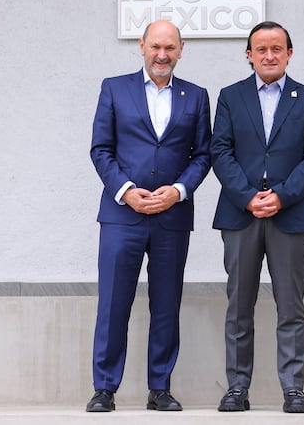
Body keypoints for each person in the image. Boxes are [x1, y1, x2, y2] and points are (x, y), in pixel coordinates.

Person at [86, 20, 212, 413]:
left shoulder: (196, 95)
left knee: (166, 303)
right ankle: (105, 388)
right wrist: (126, 192)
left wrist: (178, 191)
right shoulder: (114, 88)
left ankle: (160, 387)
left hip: (172, 218)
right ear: (141, 46)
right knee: (113, 302)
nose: (162, 55)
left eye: (169, 48)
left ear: (181, 49)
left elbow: (203, 154)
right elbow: (101, 149)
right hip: (123, 215)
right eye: (155, 46)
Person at [210, 21, 304, 414]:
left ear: (290, 54)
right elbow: (220, 152)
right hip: (240, 215)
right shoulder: (230, 97)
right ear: (249, 55)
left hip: (289, 216)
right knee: (238, 306)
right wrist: (247, 197)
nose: (269, 55)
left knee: (290, 307)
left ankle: (293, 389)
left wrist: (281, 195)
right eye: (261, 49)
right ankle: (237, 388)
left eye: (277, 48)